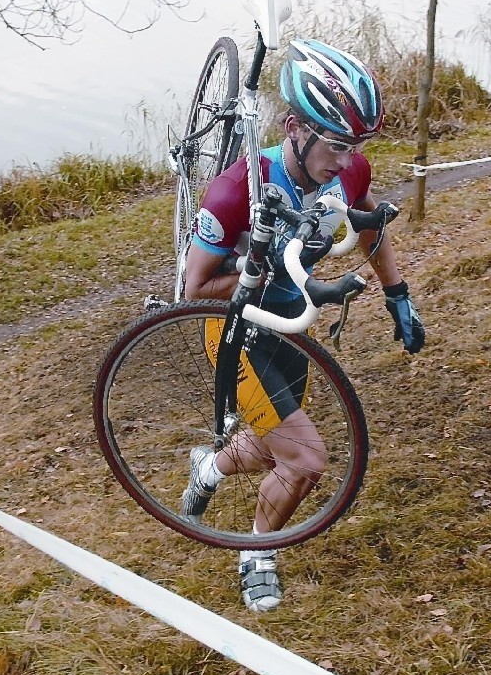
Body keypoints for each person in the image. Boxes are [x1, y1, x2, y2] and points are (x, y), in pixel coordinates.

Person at [181, 38, 425, 612]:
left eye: (355, 146)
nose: (345, 160)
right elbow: (195, 290)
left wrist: (399, 294)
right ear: (294, 127)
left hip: (294, 329)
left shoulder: (350, 167)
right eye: (336, 145)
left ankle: (208, 468)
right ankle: (258, 551)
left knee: (269, 450)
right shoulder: (236, 191)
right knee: (306, 460)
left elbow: (369, 229)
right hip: (235, 331)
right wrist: (256, 265)